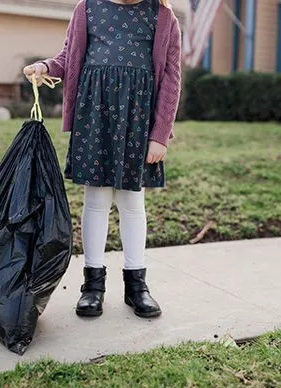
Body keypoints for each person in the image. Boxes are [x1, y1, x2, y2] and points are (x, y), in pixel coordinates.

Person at [23, 0, 181, 319]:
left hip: (137, 121)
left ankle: (137, 286)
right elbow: (70, 55)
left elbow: (171, 78)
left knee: (132, 203)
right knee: (95, 200)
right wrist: (46, 67)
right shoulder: (88, 9)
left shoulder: (163, 17)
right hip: (94, 115)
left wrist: (160, 134)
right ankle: (92, 286)